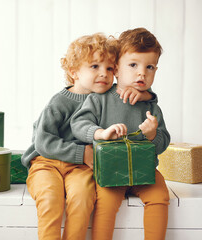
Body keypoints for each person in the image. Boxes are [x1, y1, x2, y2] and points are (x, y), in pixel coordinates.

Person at [21, 33, 154, 240]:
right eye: (94, 67)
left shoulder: (107, 98)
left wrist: (147, 95)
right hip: (46, 162)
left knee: (83, 199)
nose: (104, 74)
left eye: (109, 68)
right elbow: (42, 141)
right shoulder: (60, 102)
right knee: (50, 199)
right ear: (74, 72)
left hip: (81, 168)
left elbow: (143, 94)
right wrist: (81, 152)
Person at [70, 28, 170, 240]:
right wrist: (100, 133)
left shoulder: (151, 105)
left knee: (160, 197)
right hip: (111, 172)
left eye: (149, 67)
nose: (142, 72)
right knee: (105, 204)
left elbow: (164, 141)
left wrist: (153, 135)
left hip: (144, 172)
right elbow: (78, 123)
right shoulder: (100, 99)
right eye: (133, 65)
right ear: (116, 69)